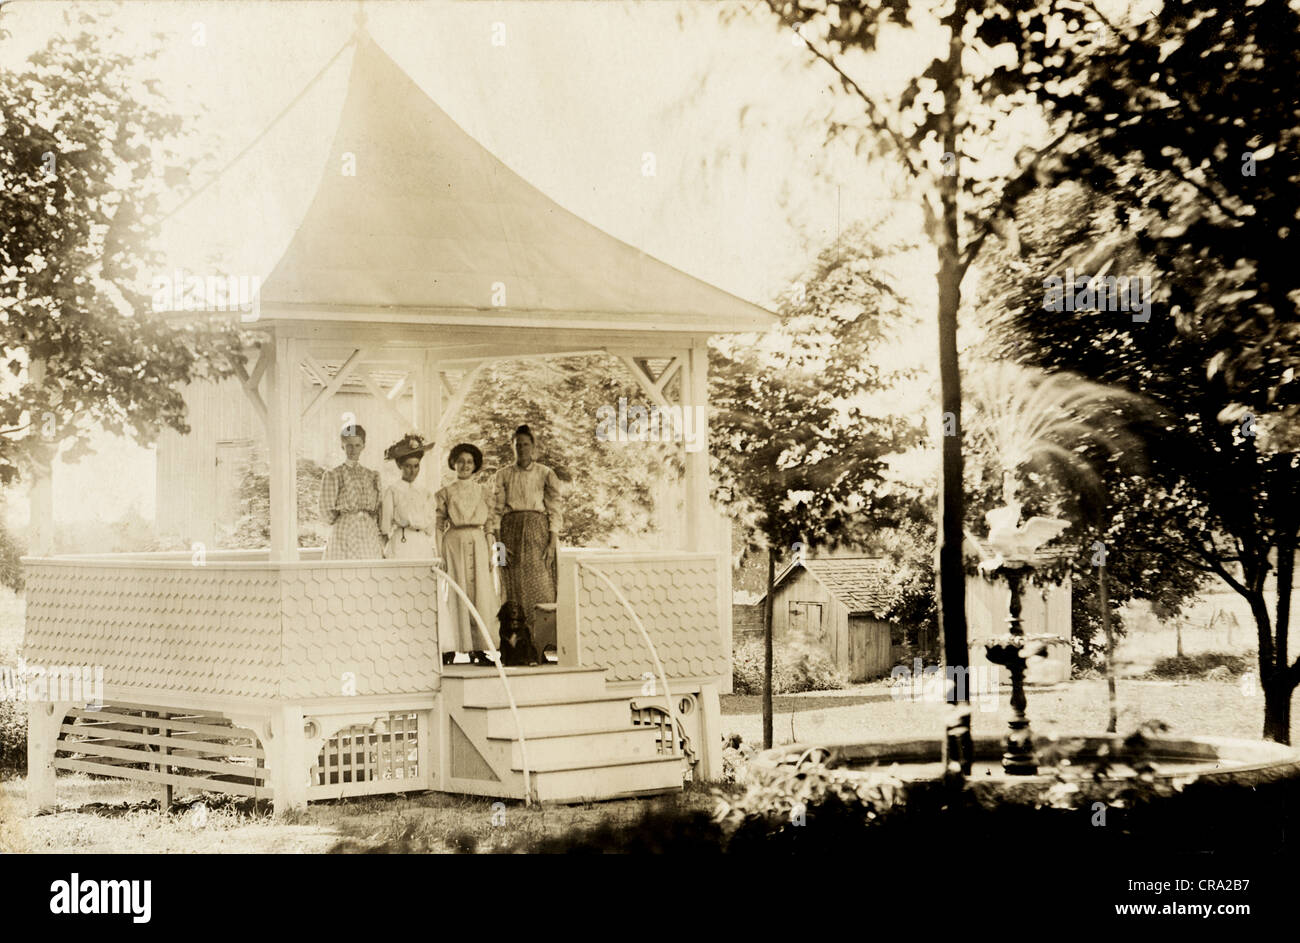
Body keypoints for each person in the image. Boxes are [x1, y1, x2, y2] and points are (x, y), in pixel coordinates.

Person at [490, 425, 563, 639]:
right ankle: (514, 642)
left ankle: (542, 640)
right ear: (512, 447)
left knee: (542, 584)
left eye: (526, 444)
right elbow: (496, 512)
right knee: (511, 585)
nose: (522, 448)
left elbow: (555, 508)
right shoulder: (503, 475)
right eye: (517, 445)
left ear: (533, 447)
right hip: (509, 534)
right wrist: (499, 545)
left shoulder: (545, 473)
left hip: (538, 534)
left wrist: (551, 543)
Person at [436, 442, 497, 666]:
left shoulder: (484, 492)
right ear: (453, 463)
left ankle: (478, 648)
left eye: (469, 462)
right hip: (454, 542)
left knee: (480, 592)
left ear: (475, 465)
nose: (465, 465)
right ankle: (450, 647)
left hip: (478, 541)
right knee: (456, 590)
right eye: (460, 461)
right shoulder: (445, 493)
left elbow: (490, 523)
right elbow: (438, 522)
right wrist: (440, 551)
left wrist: (491, 547)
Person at [319, 423, 385, 560]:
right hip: (344, 533)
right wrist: (346, 517)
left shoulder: (372, 475)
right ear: (342, 446)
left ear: (363, 446)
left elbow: (378, 509)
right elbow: (326, 512)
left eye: (357, 445)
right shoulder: (334, 475)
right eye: (349, 445)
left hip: (368, 533)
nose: (353, 449)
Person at [379, 433, 436, 560]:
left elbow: (431, 527)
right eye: (408, 466)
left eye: (416, 466)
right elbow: (385, 526)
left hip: (422, 543)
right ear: (400, 466)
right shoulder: (393, 491)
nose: (412, 471)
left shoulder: (425, 492)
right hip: (401, 542)